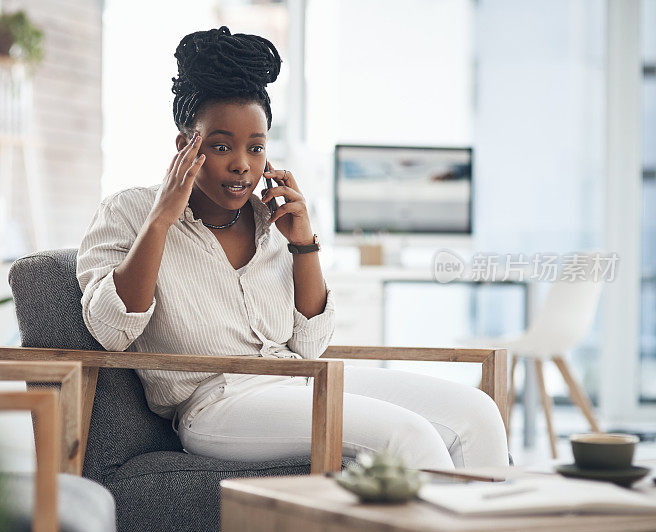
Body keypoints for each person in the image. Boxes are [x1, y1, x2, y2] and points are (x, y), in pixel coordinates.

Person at [76, 26, 508, 470]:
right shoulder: (129, 212)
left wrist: (304, 245)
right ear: (185, 146)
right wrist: (162, 220)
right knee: (409, 438)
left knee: (478, 416)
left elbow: (310, 345)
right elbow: (111, 330)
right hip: (216, 405)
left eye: (256, 147)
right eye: (221, 146)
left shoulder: (271, 217)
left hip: (300, 380)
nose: (243, 164)